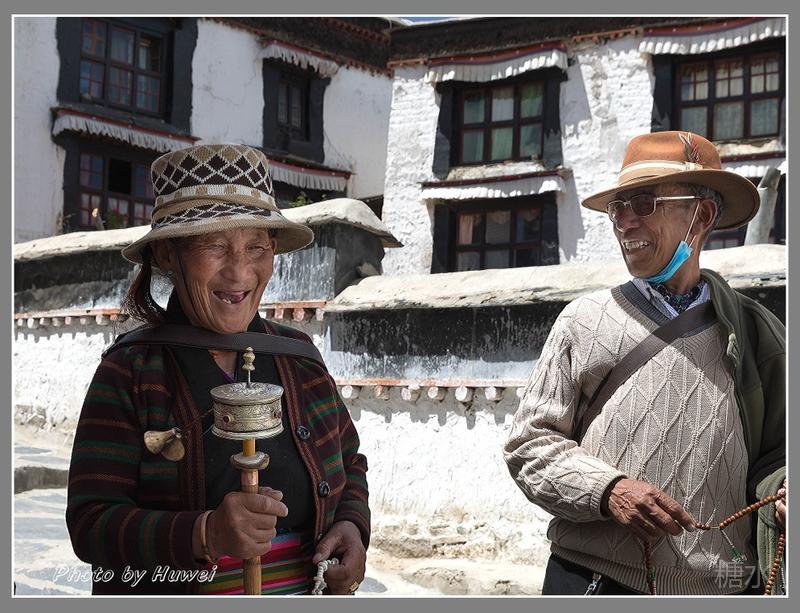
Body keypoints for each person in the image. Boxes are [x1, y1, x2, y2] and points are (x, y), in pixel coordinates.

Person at [66, 144, 369, 595]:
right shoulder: (131, 372)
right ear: (168, 254)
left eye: (256, 247)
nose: (240, 272)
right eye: (215, 245)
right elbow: (91, 523)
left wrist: (352, 525)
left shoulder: (299, 357)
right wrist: (205, 533)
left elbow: (350, 461)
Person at [504, 131, 785, 595]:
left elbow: (781, 452)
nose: (625, 223)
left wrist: (783, 490)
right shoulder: (584, 321)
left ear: (701, 215)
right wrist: (609, 491)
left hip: (724, 586)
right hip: (595, 579)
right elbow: (528, 446)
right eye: (618, 209)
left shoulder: (755, 332)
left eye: (644, 204)